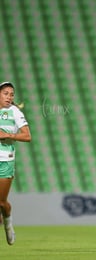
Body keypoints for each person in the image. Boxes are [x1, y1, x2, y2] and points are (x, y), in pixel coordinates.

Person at [0, 82, 31, 245]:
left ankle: (8, 223)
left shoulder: (14, 112)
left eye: (11, 94)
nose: (9, 97)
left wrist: (8, 135)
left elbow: (27, 136)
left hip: (5, 160)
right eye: (5, 93)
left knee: (1, 203)